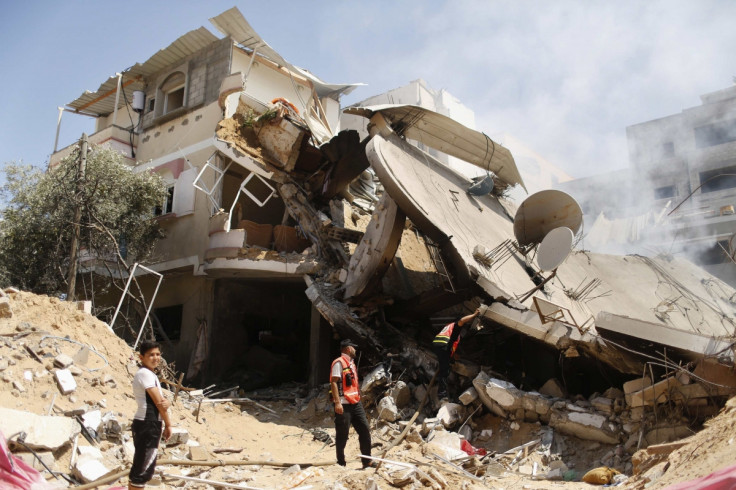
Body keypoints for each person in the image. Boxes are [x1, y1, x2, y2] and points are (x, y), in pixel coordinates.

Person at [129, 341, 173, 489]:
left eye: (158, 354)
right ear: (141, 357)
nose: (155, 358)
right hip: (148, 424)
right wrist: (168, 424)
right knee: (142, 472)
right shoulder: (145, 374)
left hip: (147, 424)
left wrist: (166, 403)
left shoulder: (148, 374)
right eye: (151, 355)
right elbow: (159, 403)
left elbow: (161, 402)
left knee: (141, 467)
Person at [330, 339, 373, 468]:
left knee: (365, 430)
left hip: (355, 403)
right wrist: (337, 403)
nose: (355, 350)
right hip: (344, 404)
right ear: (348, 349)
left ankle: (367, 461)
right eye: (353, 348)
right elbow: (333, 382)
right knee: (342, 435)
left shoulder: (351, 363)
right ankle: (341, 462)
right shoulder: (339, 363)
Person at [432, 309, 480, 399]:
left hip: (438, 345)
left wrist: (453, 356)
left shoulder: (448, 327)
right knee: (444, 371)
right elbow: (462, 321)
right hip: (443, 346)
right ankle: (442, 395)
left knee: (444, 366)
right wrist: (474, 315)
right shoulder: (456, 327)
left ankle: (441, 389)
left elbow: (451, 345)